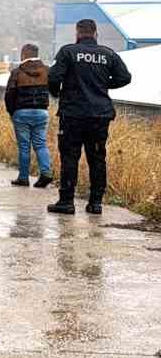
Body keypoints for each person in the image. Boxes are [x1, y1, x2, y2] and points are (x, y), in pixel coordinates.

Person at [47, 19, 132, 215]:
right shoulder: (108, 54)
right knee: (97, 158)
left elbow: (53, 78)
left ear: (77, 33)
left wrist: (57, 94)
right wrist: (102, 85)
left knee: (70, 157)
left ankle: (66, 202)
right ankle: (95, 203)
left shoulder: (68, 52)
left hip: (73, 115)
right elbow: (125, 78)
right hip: (100, 115)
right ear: (95, 34)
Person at [3, 43, 54, 188]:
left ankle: (23, 178)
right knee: (40, 144)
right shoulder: (46, 71)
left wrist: (12, 112)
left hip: (22, 112)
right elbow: (54, 89)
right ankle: (46, 172)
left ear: (24, 54)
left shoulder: (17, 72)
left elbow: (9, 95)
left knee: (24, 147)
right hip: (41, 112)